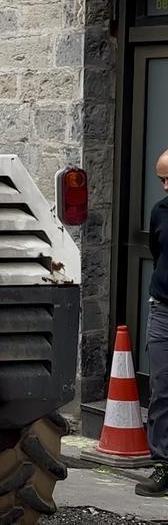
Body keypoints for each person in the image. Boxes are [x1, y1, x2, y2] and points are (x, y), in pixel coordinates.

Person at [138, 149, 168, 497]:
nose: (163, 186)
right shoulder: (160, 212)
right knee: (162, 389)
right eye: (160, 179)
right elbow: (157, 253)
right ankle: (162, 464)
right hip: (163, 310)